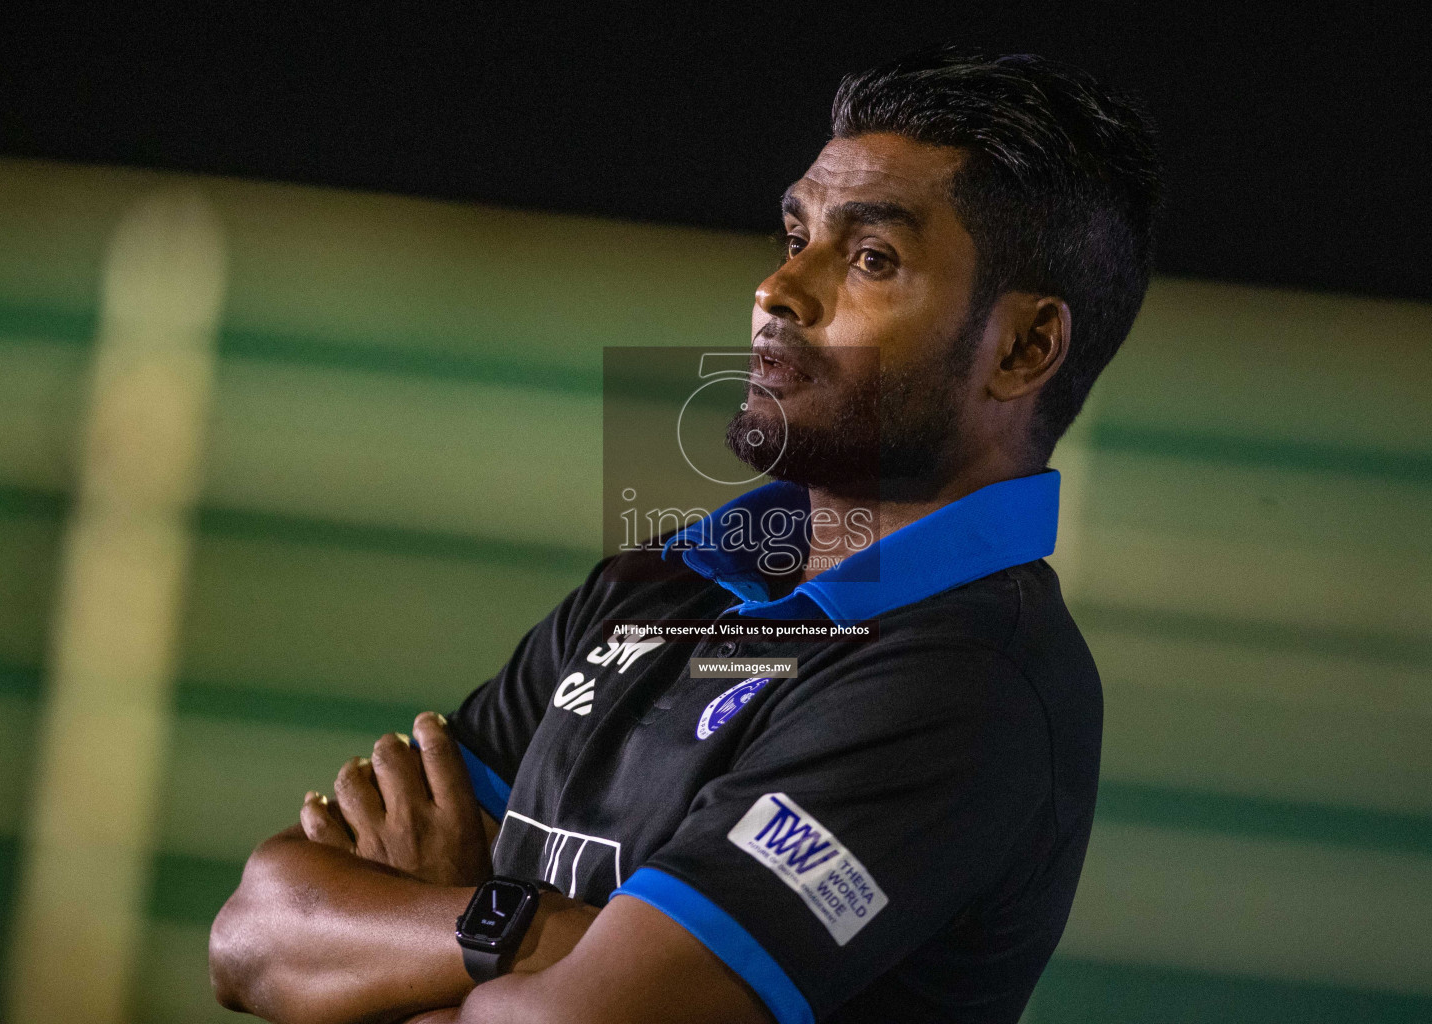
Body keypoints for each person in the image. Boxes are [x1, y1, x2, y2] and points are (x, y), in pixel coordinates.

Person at [208, 45, 1164, 1024]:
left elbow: (569, 1023)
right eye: (796, 234)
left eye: (871, 257)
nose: (779, 290)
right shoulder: (654, 585)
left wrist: (415, 951)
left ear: (1023, 347)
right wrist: (527, 931)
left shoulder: (968, 684)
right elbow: (255, 931)